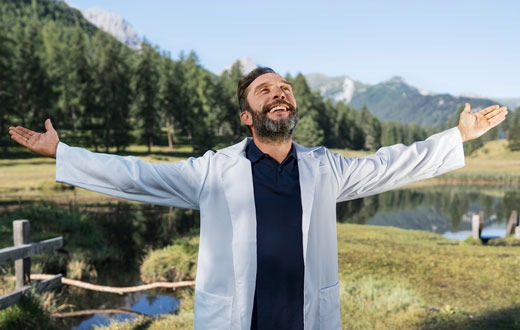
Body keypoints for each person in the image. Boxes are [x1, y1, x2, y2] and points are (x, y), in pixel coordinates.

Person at [9, 67, 507, 330]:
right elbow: (138, 175)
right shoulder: (213, 172)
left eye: (285, 88)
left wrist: (456, 137)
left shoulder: (325, 168)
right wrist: (64, 154)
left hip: (306, 319)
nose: (279, 93)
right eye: (265, 89)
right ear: (248, 117)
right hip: (236, 321)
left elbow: (390, 164)